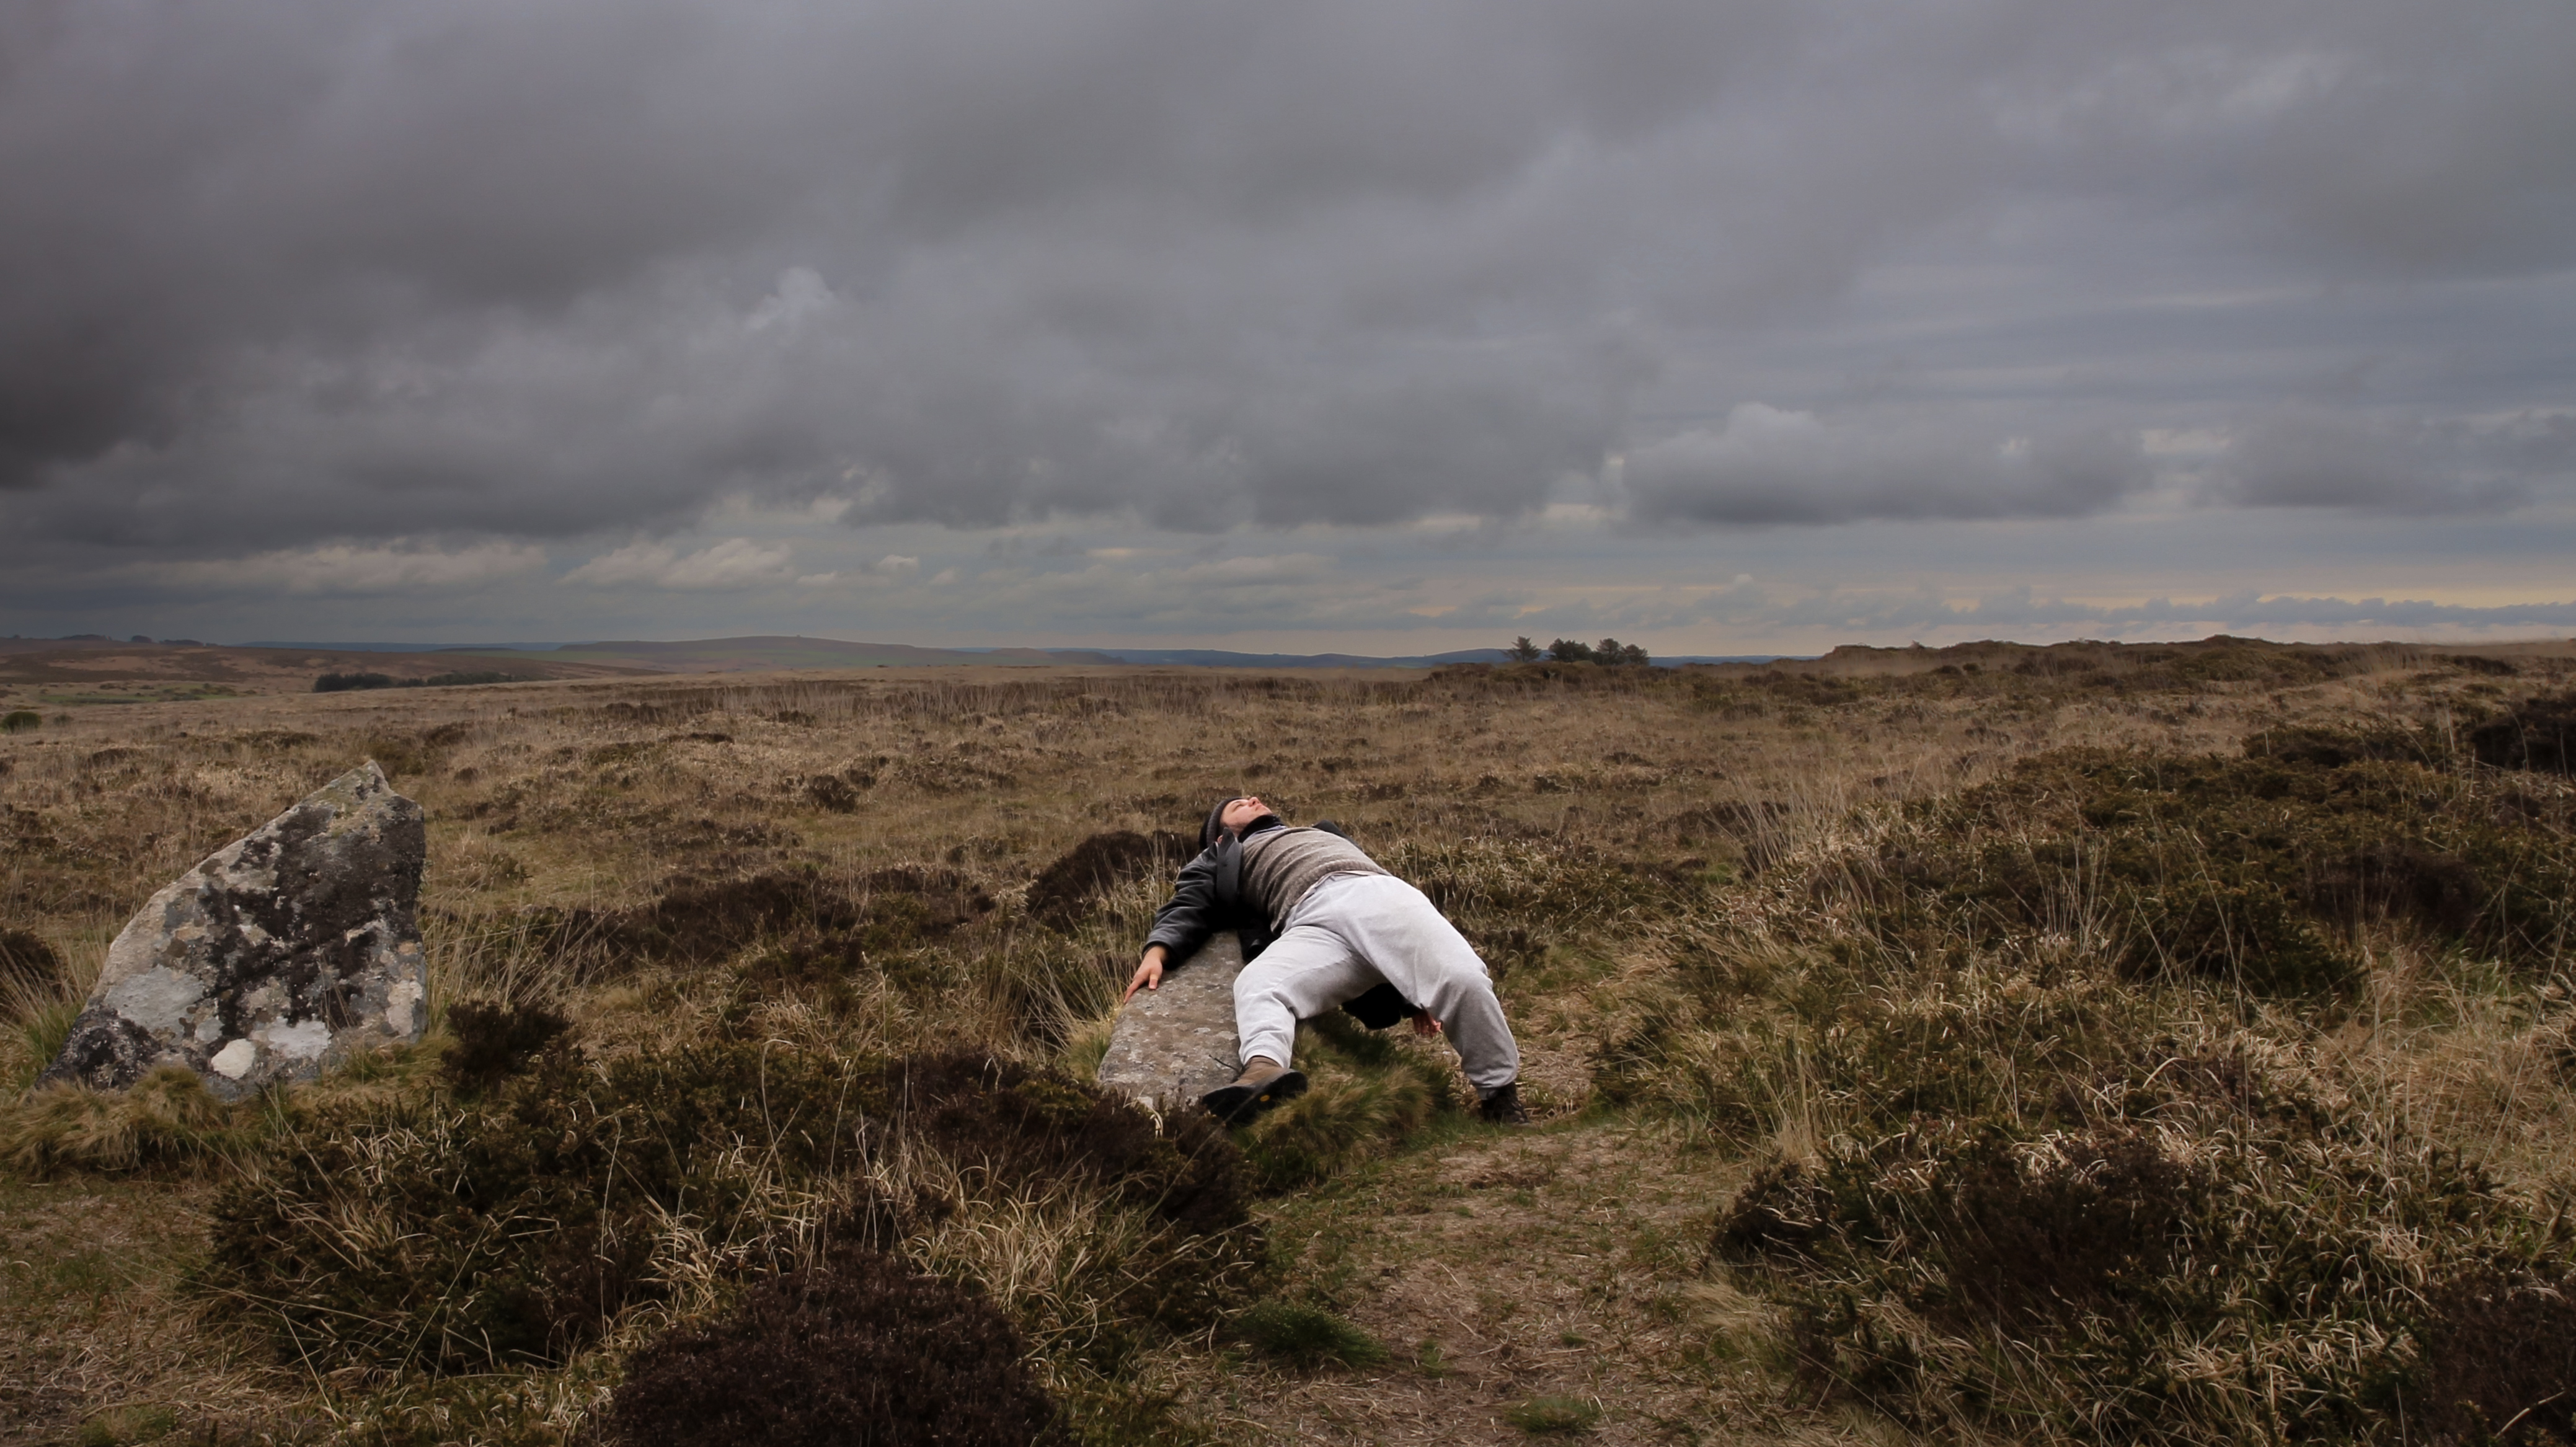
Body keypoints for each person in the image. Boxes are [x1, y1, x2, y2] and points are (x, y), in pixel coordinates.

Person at [1124, 794, 1528, 1125]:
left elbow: (1387, 941)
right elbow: (1189, 902)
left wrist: (1413, 996)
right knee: (1259, 983)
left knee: (1462, 979)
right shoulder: (1221, 856)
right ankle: (1263, 1071)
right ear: (1217, 835)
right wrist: (1158, 951)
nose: (1252, 798)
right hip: (1306, 921)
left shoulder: (1316, 833)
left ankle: (1498, 1097)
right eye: (1237, 803)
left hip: (1372, 893)